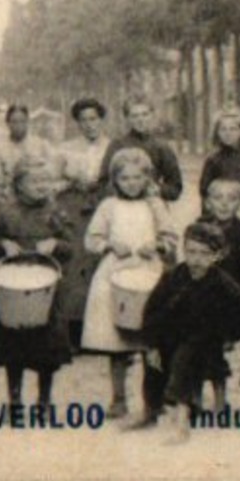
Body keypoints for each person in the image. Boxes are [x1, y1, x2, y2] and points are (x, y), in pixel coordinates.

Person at [140, 221, 240, 441]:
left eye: (204, 253)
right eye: (191, 252)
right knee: (154, 364)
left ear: (216, 256)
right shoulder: (174, 276)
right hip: (174, 332)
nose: (196, 259)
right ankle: (152, 409)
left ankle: (182, 423)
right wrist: (151, 344)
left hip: (206, 334)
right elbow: (153, 309)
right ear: (184, 250)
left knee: (184, 361)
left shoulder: (219, 279)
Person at [81, 149, 176, 420]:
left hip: (148, 271)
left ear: (147, 178)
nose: (131, 184)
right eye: (125, 179)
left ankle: (152, 400)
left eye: (137, 178)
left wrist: (157, 245)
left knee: (150, 341)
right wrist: (110, 244)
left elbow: (170, 238)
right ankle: (119, 398)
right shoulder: (109, 206)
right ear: (115, 180)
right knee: (117, 340)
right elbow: (91, 240)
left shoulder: (155, 205)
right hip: (116, 273)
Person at [0, 165, 76, 410]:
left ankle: (44, 399)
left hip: (46, 288)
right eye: (35, 182)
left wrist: (55, 243)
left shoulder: (54, 211)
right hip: (13, 287)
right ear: (20, 185)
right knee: (13, 347)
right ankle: (14, 399)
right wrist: (3, 244)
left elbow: (71, 246)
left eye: (46, 181)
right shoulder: (6, 212)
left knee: (47, 349)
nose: (42, 187)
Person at [106, 98, 184, 203]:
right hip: (122, 206)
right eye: (135, 116)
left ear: (152, 115)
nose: (140, 119)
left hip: (152, 205)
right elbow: (104, 182)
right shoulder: (117, 145)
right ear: (127, 118)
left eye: (145, 114)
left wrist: (159, 190)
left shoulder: (161, 147)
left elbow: (175, 188)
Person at [0, 105, 66, 207]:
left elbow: (57, 166)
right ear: (7, 123)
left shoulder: (40, 144)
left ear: (27, 123)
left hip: (40, 201)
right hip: (12, 203)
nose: (18, 126)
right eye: (14, 122)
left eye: (22, 121)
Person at [61, 98, 114, 194]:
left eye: (93, 119)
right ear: (78, 123)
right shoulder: (66, 149)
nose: (89, 125)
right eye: (83, 120)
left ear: (101, 120)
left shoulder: (112, 147)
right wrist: (73, 182)